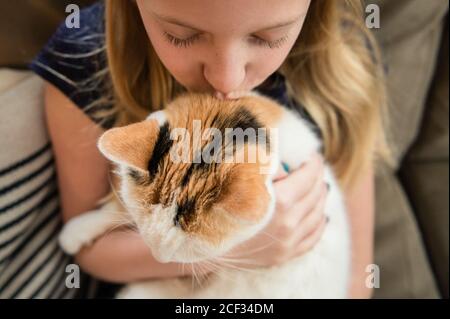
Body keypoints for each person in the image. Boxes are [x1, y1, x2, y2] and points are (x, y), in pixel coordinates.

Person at [29, 0, 389, 298]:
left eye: (269, 37)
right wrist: (227, 250)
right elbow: (86, 246)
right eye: (181, 35)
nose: (227, 79)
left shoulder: (339, 73)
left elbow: (357, 280)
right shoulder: (86, 57)